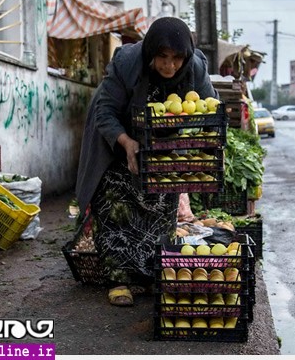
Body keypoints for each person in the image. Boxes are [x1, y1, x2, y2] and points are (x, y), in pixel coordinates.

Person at [75, 17, 218, 307]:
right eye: (163, 57)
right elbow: (105, 111)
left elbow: (210, 112)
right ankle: (118, 279)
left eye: (177, 58)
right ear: (151, 51)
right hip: (118, 139)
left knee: (162, 205)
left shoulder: (195, 68)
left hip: (162, 143)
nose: (170, 66)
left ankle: (152, 274)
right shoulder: (128, 63)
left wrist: (207, 150)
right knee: (115, 206)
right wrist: (127, 143)